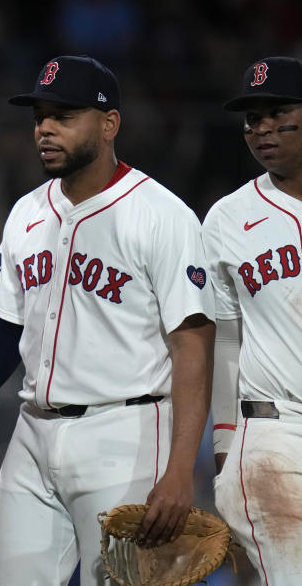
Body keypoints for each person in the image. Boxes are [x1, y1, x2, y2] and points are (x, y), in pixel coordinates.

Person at [0, 55, 215, 585]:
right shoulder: (26, 213)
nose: (45, 129)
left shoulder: (162, 215)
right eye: (40, 116)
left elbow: (192, 345)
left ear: (108, 124)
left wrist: (179, 470)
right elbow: (6, 337)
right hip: (33, 435)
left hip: (124, 434)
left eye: (64, 115)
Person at [205, 56, 302, 584]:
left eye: (277, 112)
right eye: (251, 118)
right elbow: (223, 340)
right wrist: (224, 449)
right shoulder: (227, 218)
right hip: (272, 433)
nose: (261, 127)